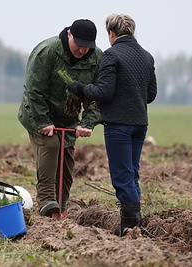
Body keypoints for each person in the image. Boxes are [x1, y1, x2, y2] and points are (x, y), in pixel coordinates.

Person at [65, 14, 157, 235]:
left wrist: (79, 87)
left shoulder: (111, 55)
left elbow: (104, 92)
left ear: (111, 33)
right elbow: (151, 95)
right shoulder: (146, 56)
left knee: (122, 176)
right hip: (140, 124)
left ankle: (130, 227)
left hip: (119, 126)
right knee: (132, 173)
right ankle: (135, 221)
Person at [18, 19, 102, 218]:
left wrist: (87, 123)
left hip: (68, 116)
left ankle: (61, 206)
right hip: (38, 111)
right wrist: (42, 121)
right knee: (51, 145)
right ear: (69, 34)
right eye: (78, 44)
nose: (82, 50)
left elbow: (97, 95)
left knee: (67, 159)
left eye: (86, 46)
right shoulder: (47, 51)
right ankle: (47, 201)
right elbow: (34, 91)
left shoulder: (97, 58)